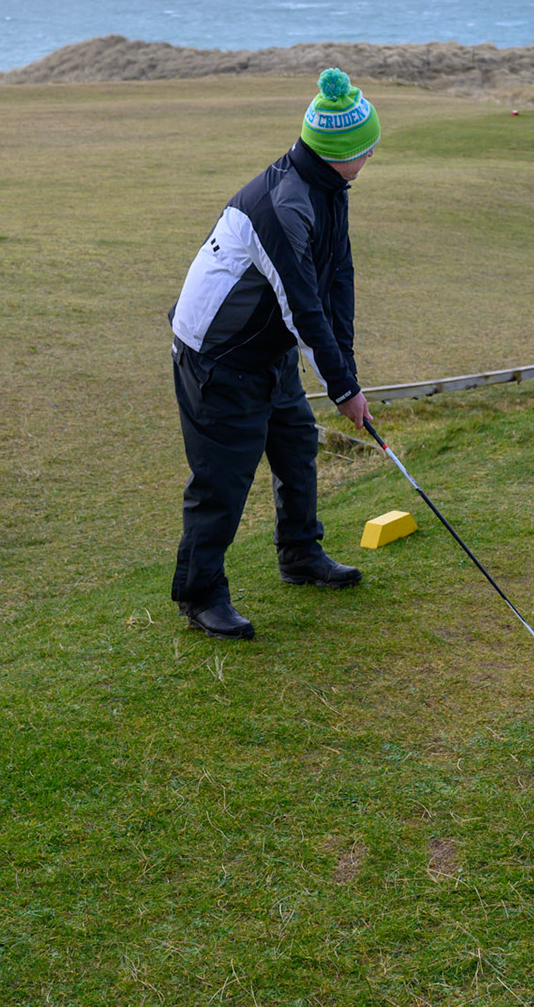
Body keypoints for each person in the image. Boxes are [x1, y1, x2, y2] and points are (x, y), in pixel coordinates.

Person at [166, 68, 379, 638]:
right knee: (223, 478)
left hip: (266, 347)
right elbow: (303, 309)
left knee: (295, 444)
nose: (373, 156)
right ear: (344, 152)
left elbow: (339, 280)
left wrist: (347, 374)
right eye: (368, 148)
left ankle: (300, 554)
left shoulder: (329, 188)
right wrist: (343, 389)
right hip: (218, 354)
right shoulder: (283, 206)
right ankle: (200, 594)